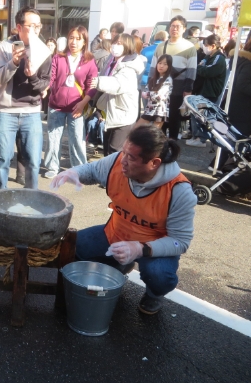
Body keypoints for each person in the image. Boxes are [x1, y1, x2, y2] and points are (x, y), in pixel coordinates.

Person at [51, 125, 196, 315]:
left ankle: (154, 294)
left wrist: (139, 249)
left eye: (131, 157)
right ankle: (118, 264)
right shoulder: (117, 162)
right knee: (70, 248)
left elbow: (180, 242)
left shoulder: (179, 191)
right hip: (115, 234)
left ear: (154, 163)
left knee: (160, 276)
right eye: (124, 152)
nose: (123, 161)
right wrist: (73, 173)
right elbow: (92, 170)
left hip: (152, 247)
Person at [0, 6, 52, 190]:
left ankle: (32, 197)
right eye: (31, 26)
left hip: (32, 112)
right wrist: (14, 62)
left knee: (33, 160)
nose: (36, 30)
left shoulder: (43, 50)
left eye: (38, 26)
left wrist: (32, 76)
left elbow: (44, 84)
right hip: (6, 111)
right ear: (19, 27)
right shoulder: (5, 47)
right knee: (2, 159)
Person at [42, 25, 97, 178]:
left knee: (77, 139)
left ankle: (79, 169)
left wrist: (83, 103)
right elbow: (51, 77)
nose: (74, 42)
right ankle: (52, 166)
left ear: (84, 42)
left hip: (77, 106)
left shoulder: (89, 61)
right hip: (56, 105)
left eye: (78, 39)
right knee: (53, 138)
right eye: (71, 38)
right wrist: (45, 88)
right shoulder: (58, 57)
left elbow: (92, 86)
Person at [91, 34, 145, 155]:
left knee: (115, 151)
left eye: (119, 43)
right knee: (107, 149)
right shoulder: (112, 60)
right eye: (115, 42)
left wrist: (98, 82)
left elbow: (118, 84)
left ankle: (118, 168)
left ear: (128, 46)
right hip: (111, 112)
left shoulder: (129, 65)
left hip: (123, 115)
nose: (115, 46)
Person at [155, 16, 198, 141]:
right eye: (173, 26)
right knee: (160, 115)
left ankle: (172, 143)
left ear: (184, 29)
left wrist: (188, 89)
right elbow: (154, 66)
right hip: (161, 87)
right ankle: (161, 143)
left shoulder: (189, 47)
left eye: (178, 26)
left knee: (174, 116)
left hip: (178, 87)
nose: (175, 29)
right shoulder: (161, 46)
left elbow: (192, 69)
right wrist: (152, 85)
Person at [140, 55, 176, 129]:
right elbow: (145, 91)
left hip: (160, 111)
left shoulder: (168, 80)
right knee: (137, 129)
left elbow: (159, 96)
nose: (161, 66)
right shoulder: (153, 78)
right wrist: (151, 93)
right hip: (149, 109)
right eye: (159, 63)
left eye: (165, 64)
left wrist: (149, 94)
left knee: (153, 133)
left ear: (169, 66)